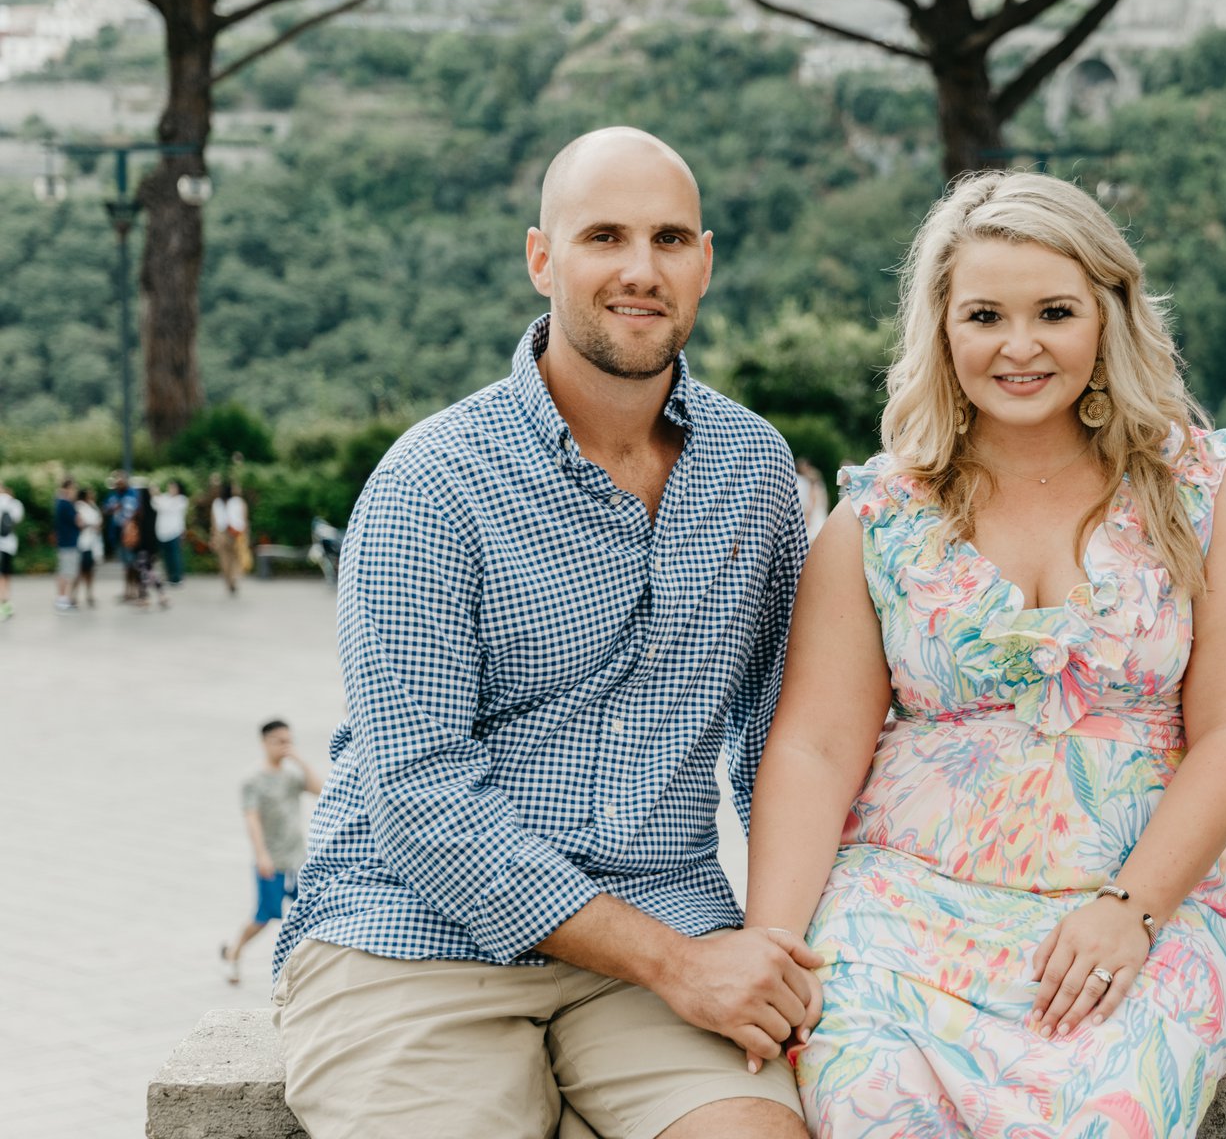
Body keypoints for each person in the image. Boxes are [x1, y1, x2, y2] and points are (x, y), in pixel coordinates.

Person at [274, 129, 817, 1139]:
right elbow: (423, 804)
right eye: (603, 236)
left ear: (705, 260)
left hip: (665, 915)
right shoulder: (428, 484)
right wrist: (679, 964)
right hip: (416, 934)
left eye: (668, 239)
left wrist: (783, 943)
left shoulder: (754, 470)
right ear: (542, 258)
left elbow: (786, 744)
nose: (639, 270)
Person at [745, 170, 1226, 1136]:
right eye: (986, 314)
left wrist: (1135, 908)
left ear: (1107, 318)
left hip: (1128, 913)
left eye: (1055, 312)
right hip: (898, 912)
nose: (1021, 345)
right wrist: (775, 949)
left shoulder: (1203, 495)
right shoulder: (877, 519)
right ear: (942, 329)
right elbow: (816, 747)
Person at [222, 720, 323, 982]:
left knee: (307, 910)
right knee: (263, 916)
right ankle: (235, 950)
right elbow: (252, 819)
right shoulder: (253, 780)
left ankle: (302, 966)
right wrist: (261, 855)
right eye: (279, 741)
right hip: (272, 860)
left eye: (288, 740)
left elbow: (320, 789)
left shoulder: (291, 775)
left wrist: (300, 761)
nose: (285, 746)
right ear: (265, 742)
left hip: (297, 858)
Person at [210, 480, 248, 595]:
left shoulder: (217, 503)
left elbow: (214, 522)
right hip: (235, 533)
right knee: (235, 558)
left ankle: (228, 581)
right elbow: (244, 519)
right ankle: (233, 580)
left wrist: (214, 536)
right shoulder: (239, 502)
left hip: (222, 533)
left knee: (224, 559)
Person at [153, 479, 190, 585]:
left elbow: (165, 507)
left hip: (174, 532)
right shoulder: (165, 497)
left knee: (175, 556)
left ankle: (177, 577)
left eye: (173, 487)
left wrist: (157, 495)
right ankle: (169, 576)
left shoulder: (181, 500)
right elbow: (155, 504)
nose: (171, 489)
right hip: (162, 532)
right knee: (166, 557)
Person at [53, 478, 81, 612]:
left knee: (64, 571)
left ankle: (62, 599)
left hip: (65, 542)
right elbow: (79, 521)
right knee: (66, 572)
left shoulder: (59, 502)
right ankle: (62, 599)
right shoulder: (66, 504)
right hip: (68, 542)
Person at [74, 486, 104, 608]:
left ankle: (89, 594)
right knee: (81, 570)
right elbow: (80, 523)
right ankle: (74, 595)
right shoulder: (79, 506)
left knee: (90, 571)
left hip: (93, 543)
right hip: (83, 543)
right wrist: (92, 525)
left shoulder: (93, 505)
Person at [793, 458, 831, 542]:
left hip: (815, 510)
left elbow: (813, 500)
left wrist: (809, 511)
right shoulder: (820, 488)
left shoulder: (812, 487)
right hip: (820, 510)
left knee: (813, 532)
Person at [0, 481, 19, 622]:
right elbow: (17, 519)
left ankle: (4, 604)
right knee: (6, 575)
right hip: (9, 545)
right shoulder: (13, 503)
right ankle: (7, 603)